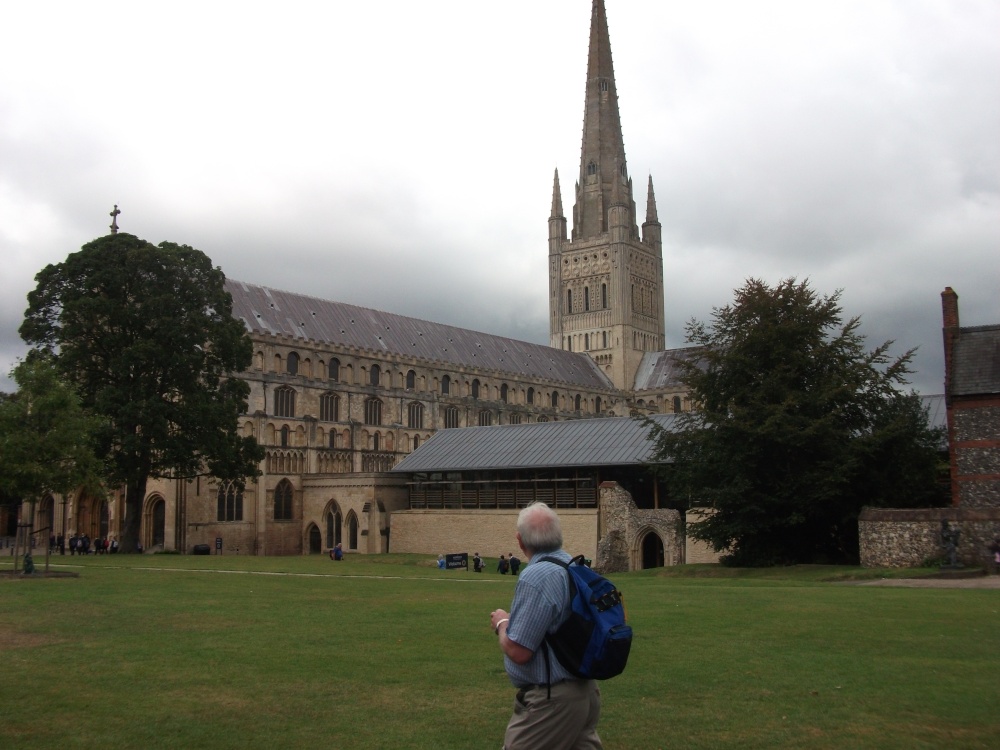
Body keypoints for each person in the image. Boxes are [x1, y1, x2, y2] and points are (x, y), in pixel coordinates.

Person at [489, 502, 602, 750]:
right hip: (585, 691)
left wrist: (502, 623)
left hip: (553, 701)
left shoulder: (537, 576)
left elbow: (519, 651)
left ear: (520, 541)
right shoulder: (575, 567)